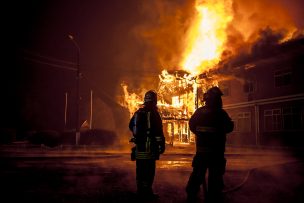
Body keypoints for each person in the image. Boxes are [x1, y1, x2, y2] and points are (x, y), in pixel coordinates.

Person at [186, 86, 234, 203]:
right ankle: (214, 196)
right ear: (217, 100)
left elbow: (191, 125)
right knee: (215, 175)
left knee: (198, 173)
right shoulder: (221, 113)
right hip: (216, 152)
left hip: (202, 151)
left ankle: (191, 193)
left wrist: (199, 133)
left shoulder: (199, 112)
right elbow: (229, 127)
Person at [129, 90, 166, 200]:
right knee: (149, 171)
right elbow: (159, 132)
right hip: (150, 149)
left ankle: (140, 191)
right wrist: (161, 144)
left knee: (140, 170)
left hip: (139, 148)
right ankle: (147, 193)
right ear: (154, 101)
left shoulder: (138, 113)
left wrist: (140, 136)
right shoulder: (154, 114)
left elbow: (131, 126)